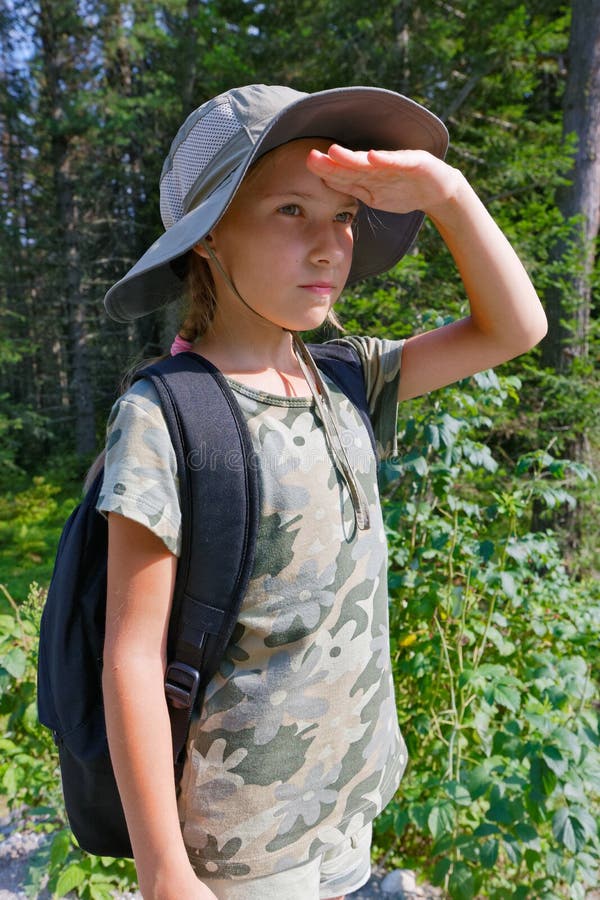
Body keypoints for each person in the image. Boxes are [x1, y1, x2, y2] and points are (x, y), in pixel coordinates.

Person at [98, 84, 547, 900]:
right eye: (290, 212)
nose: (330, 245)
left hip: (350, 810)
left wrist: (447, 192)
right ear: (208, 238)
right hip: (243, 855)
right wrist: (165, 872)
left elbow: (515, 329)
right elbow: (131, 654)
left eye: (343, 216)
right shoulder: (167, 415)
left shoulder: (346, 376)